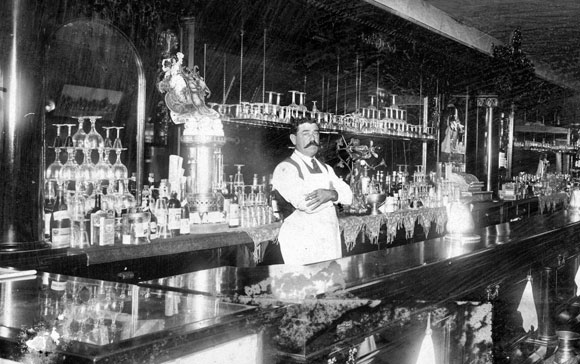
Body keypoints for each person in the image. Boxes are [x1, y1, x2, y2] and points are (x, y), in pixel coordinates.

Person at [272, 117, 353, 265]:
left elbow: (348, 197)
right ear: (293, 139)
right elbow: (307, 204)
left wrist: (330, 194)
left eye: (315, 133)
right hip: (302, 242)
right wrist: (334, 197)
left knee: (330, 285)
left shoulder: (326, 168)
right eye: (305, 133)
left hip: (329, 240)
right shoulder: (285, 168)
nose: (312, 138)